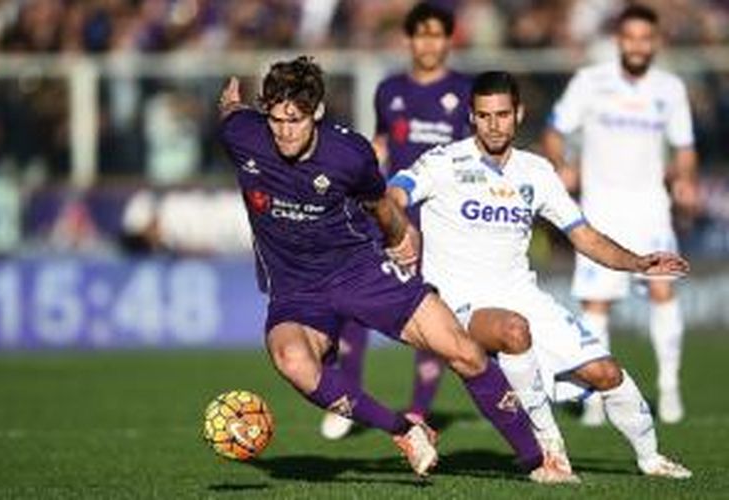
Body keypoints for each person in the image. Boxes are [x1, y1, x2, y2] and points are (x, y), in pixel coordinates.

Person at [217, 56, 572, 482]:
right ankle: (404, 430)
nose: (284, 131)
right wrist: (230, 104)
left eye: (296, 120)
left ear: (319, 113)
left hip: (360, 271)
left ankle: (537, 461)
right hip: (296, 291)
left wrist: (400, 236)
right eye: (275, 119)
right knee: (292, 360)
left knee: (463, 351)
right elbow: (232, 114)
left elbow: (380, 204)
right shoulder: (243, 136)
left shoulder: (348, 153)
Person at [386, 70, 692, 479]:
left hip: (523, 295)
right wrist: (399, 228)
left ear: (519, 114)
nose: (494, 124)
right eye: (484, 115)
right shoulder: (443, 162)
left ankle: (652, 459)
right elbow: (394, 194)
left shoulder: (537, 172)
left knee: (607, 373)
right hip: (457, 303)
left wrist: (637, 262)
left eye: (502, 114)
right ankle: (551, 453)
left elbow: (583, 235)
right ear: (472, 118)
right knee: (513, 330)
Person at [321, 1, 472, 441]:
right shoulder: (388, 90)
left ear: (449, 40)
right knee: (355, 304)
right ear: (408, 40)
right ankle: (347, 401)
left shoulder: (465, 91)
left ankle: (419, 412)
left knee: (429, 312)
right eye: (421, 34)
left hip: (440, 218)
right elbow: (383, 143)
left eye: (437, 34)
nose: (428, 42)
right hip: (388, 213)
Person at [541, 4, 698, 425]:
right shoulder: (591, 82)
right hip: (602, 208)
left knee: (664, 292)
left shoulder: (670, 88)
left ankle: (669, 388)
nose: (637, 45)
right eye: (630, 37)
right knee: (597, 303)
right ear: (619, 41)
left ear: (655, 42)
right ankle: (596, 396)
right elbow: (555, 130)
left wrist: (684, 178)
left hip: (651, 208)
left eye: (645, 38)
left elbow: (684, 147)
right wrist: (563, 165)